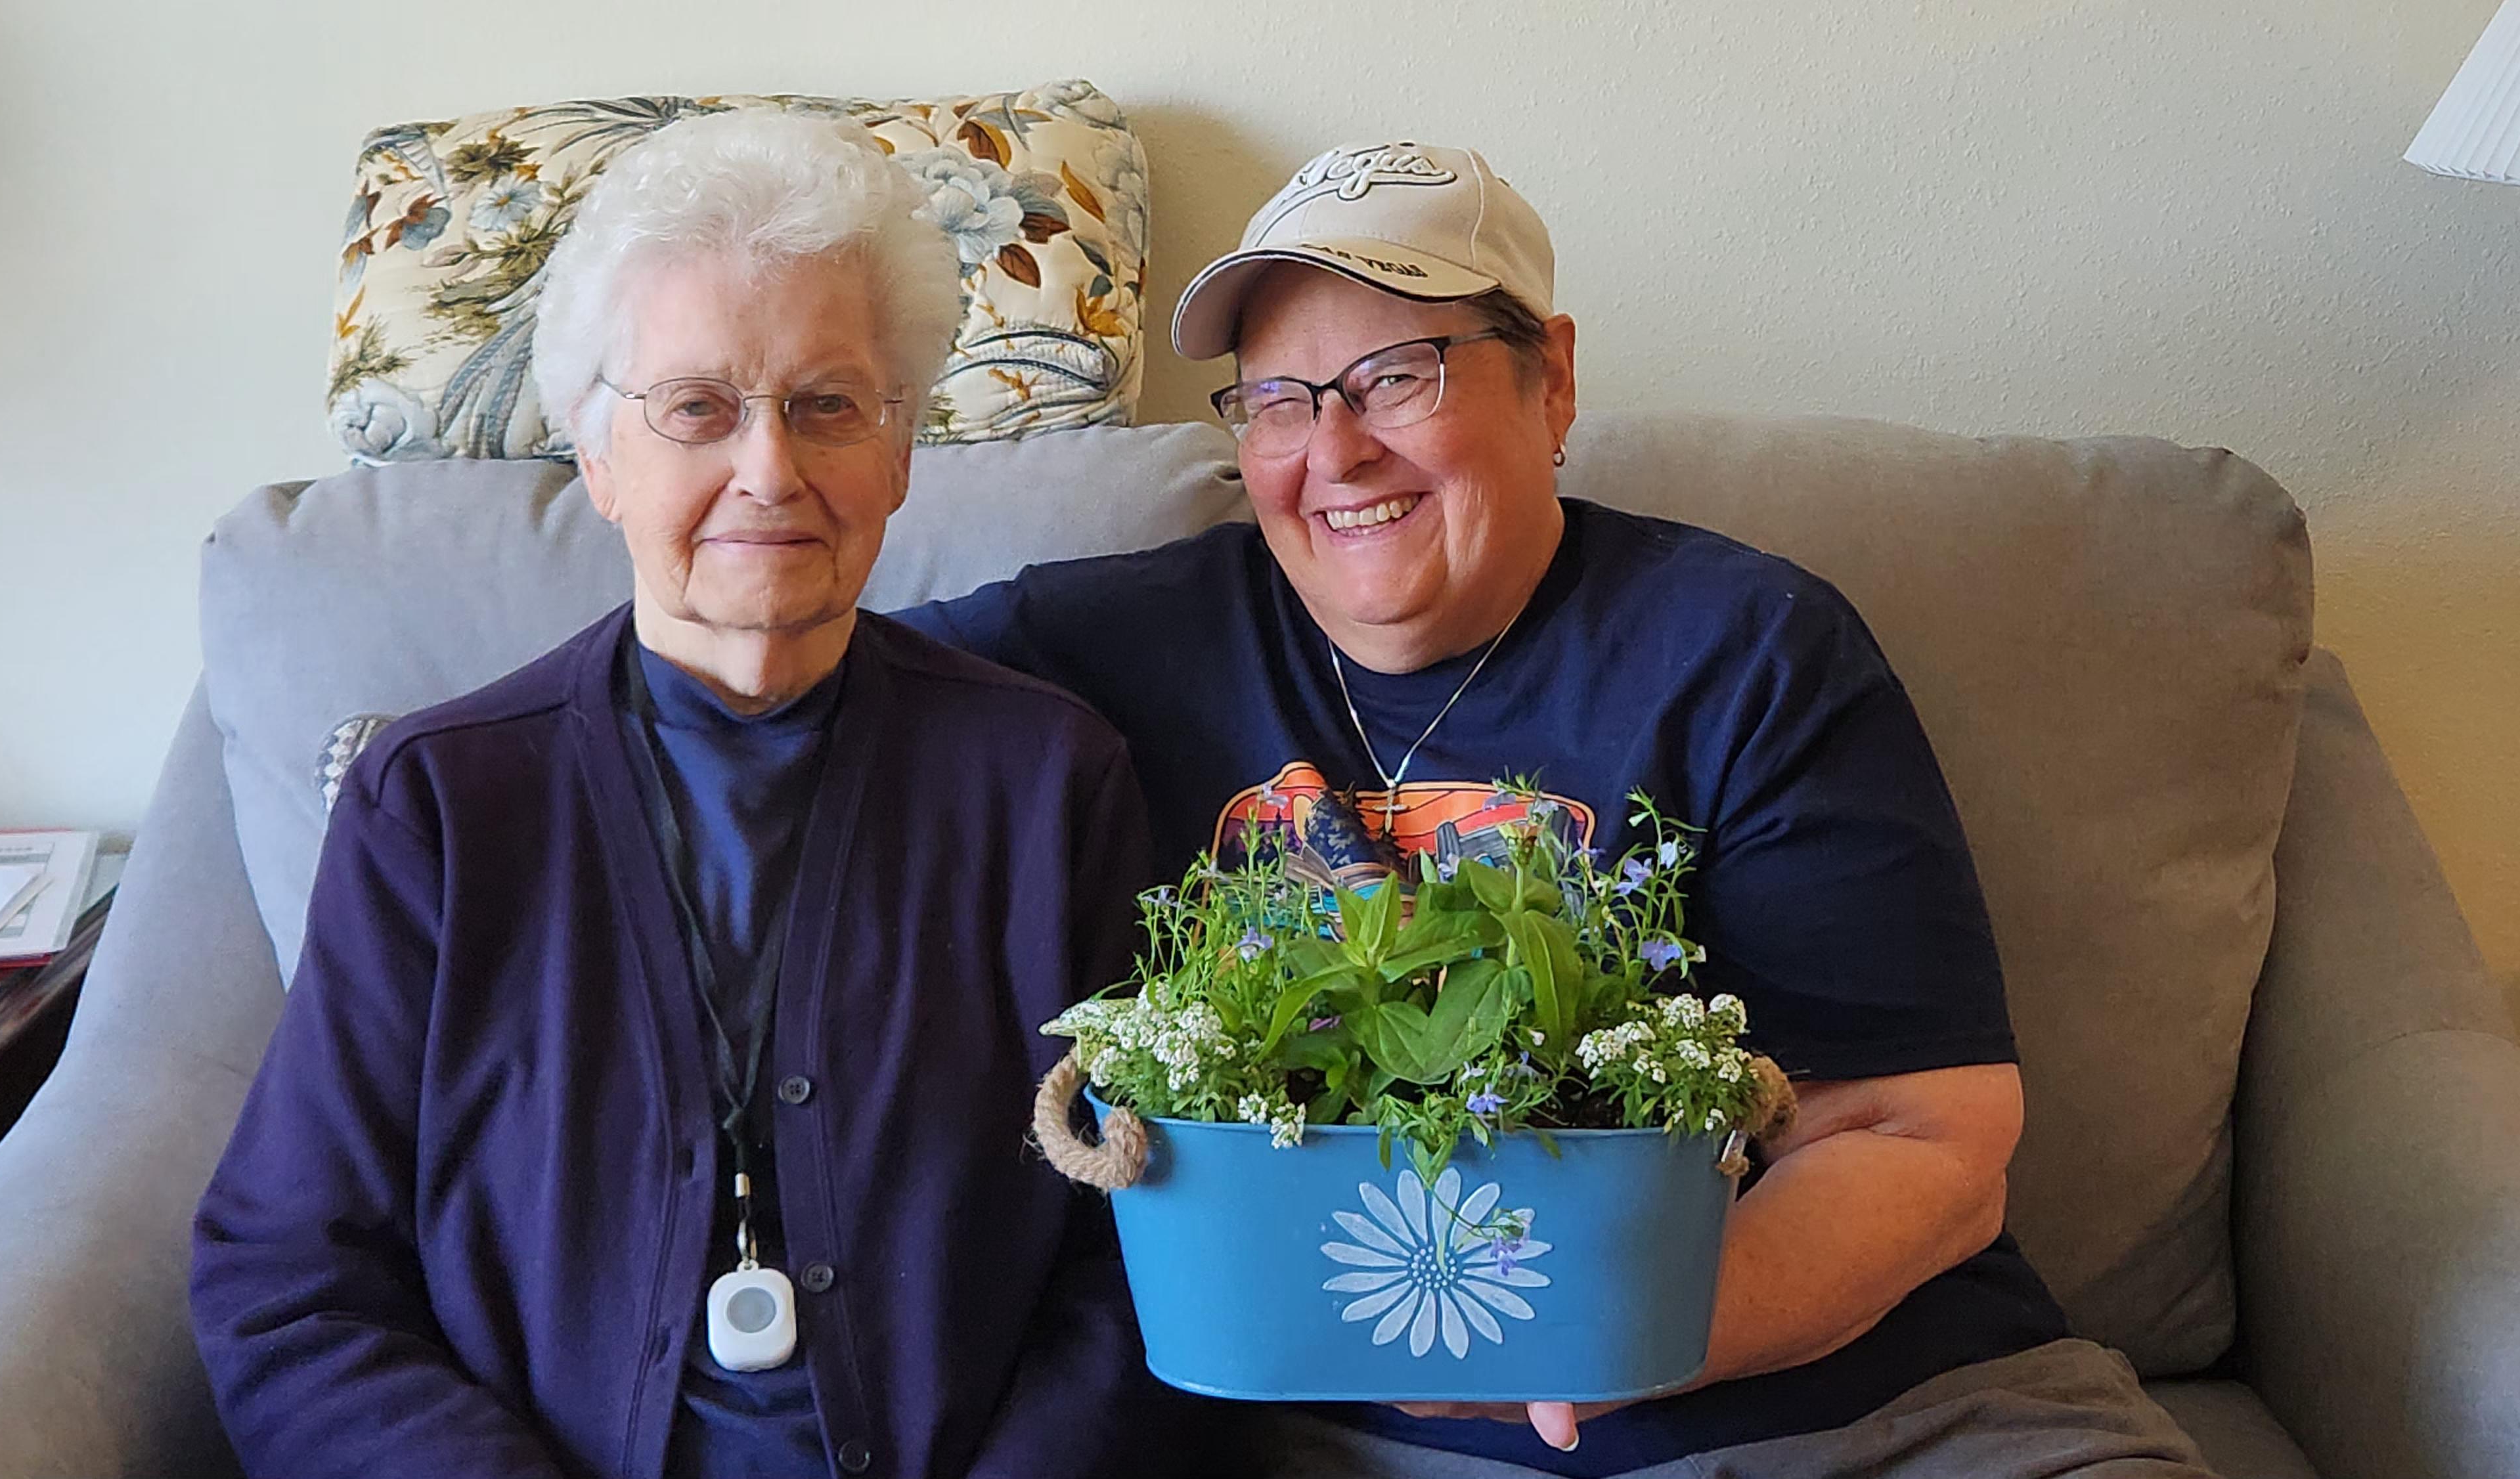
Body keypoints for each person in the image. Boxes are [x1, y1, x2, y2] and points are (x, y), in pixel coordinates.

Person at [896, 141, 2221, 1478]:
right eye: (1279, 401)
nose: (1335, 453)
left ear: (1553, 381)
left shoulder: (1739, 650)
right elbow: (777, 683)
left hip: (1868, 1412)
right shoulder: (1126, 636)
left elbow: (1922, 1135)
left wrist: (1584, 1336)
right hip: (1369, 1439)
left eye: (1395, 377)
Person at [190, 111, 1174, 1479]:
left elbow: (1149, 1251)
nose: (768, 469)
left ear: (897, 455)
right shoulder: (438, 807)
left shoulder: (1048, 784)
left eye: (827, 403)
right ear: (600, 459)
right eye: (697, 408)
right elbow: (287, 1271)